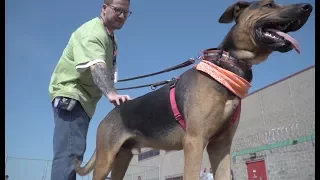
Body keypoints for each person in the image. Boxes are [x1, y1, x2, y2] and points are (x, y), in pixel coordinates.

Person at [48, 0, 132, 179]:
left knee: (75, 153)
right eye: (118, 10)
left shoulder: (111, 39)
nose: (122, 16)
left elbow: (107, 73)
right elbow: (97, 68)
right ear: (104, 8)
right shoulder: (93, 32)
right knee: (69, 156)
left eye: (126, 13)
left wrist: (112, 88)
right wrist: (111, 93)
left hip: (84, 102)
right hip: (72, 96)